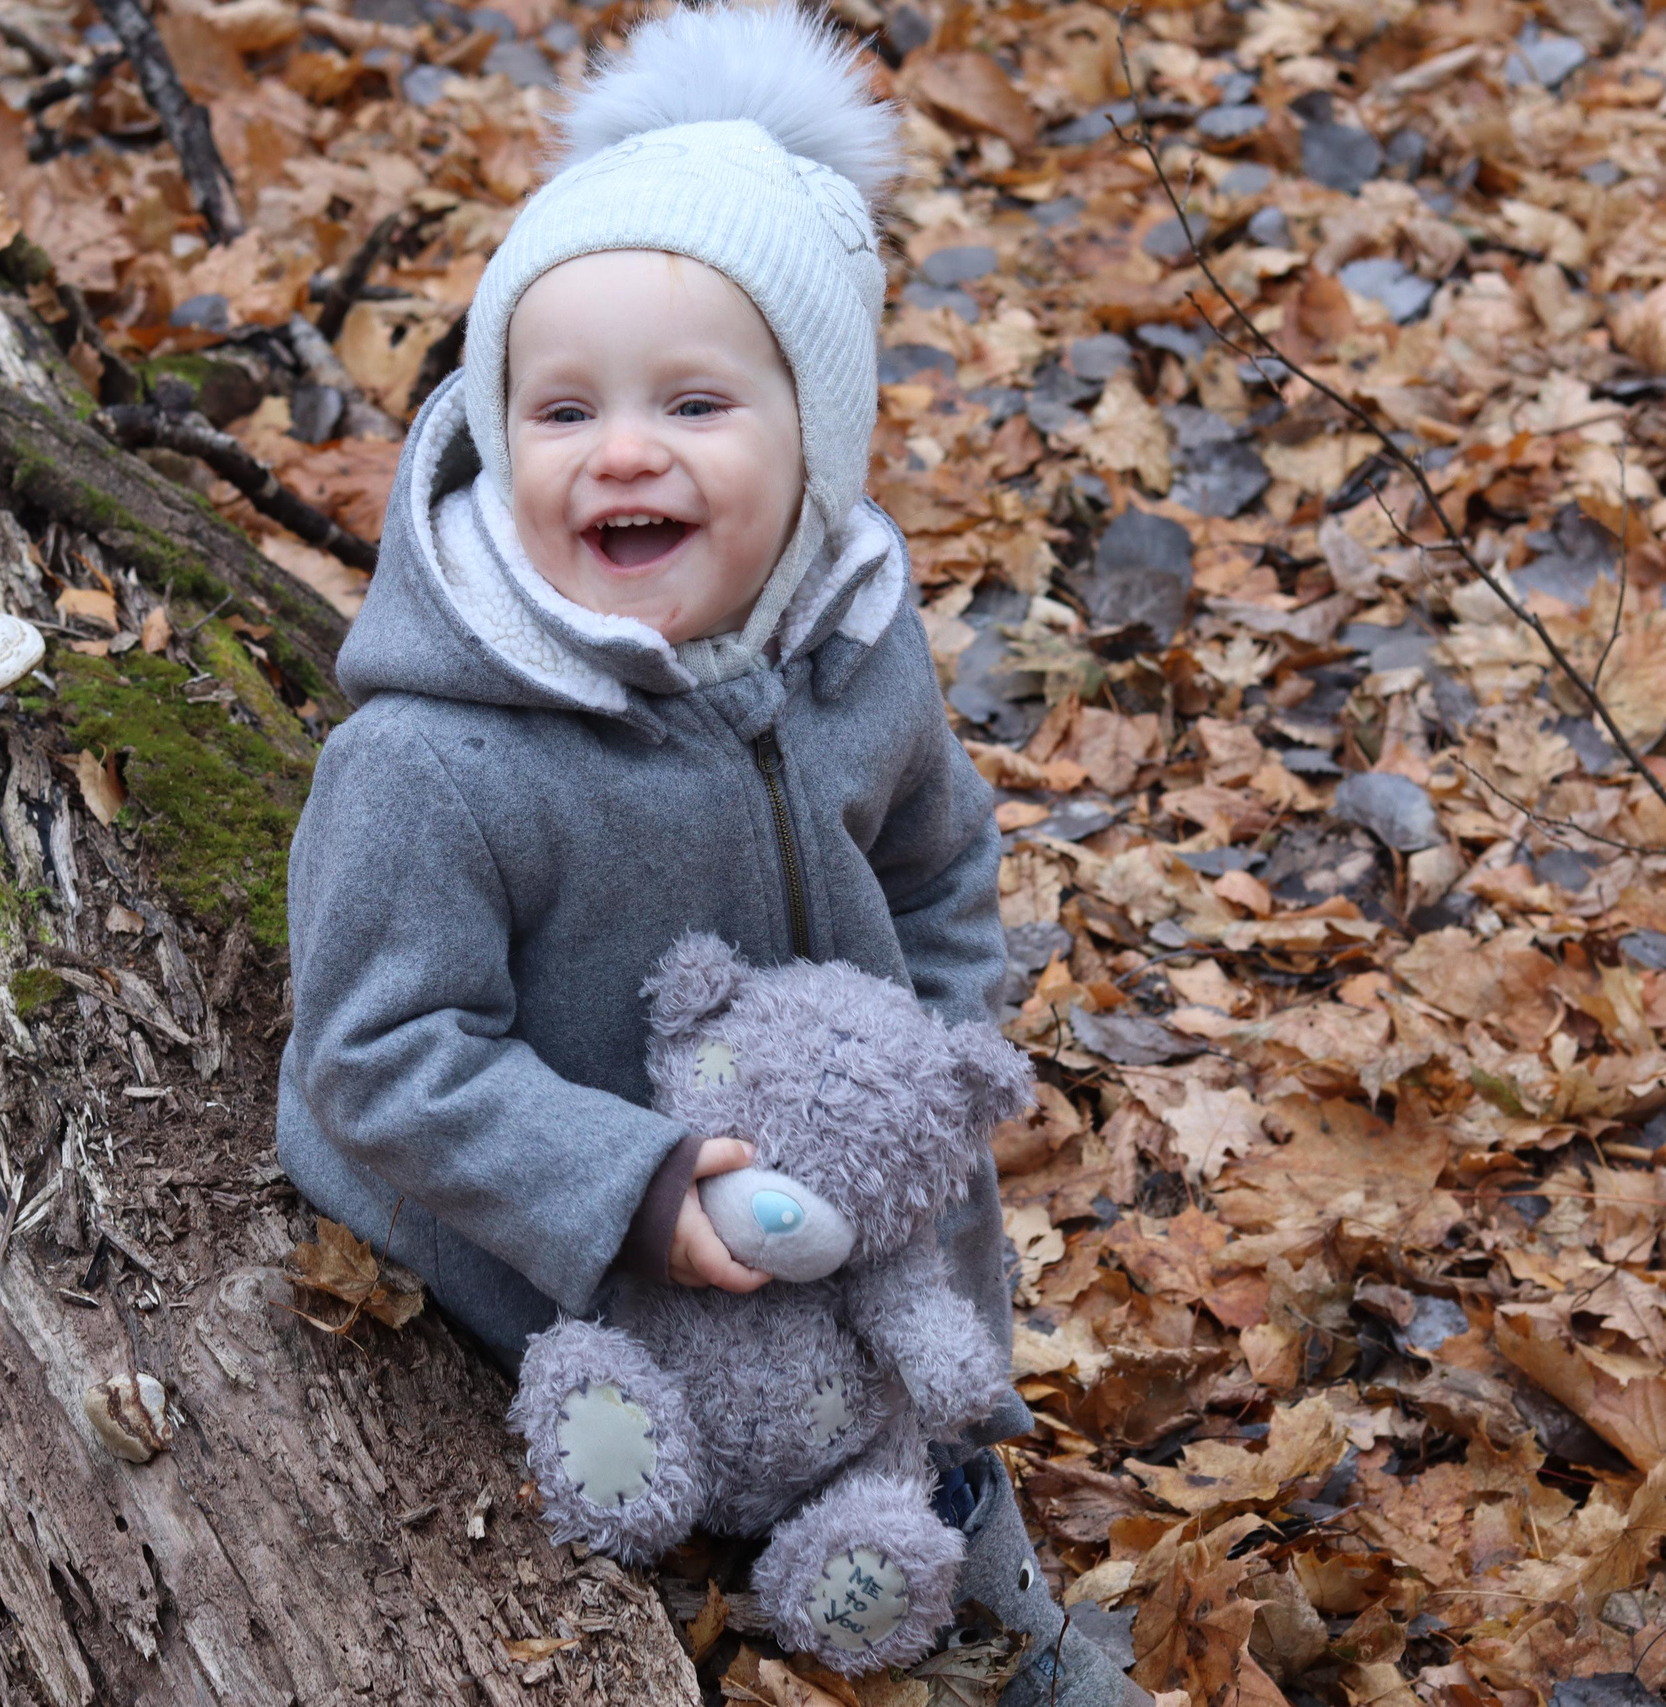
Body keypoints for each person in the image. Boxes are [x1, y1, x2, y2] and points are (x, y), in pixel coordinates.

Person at [276, 7, 1123, 1700]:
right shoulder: (435, 762)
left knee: (898, 1340)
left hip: (822, 1176)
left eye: (695, 401)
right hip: (537, 1230)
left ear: (819, 446)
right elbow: (377, 1048)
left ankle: (932, 1510)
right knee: (638, 1459)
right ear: (494, 429)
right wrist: (635, 1192)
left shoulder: (851, 648)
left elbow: (943, 862)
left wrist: (927, 1072)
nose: (623, 450)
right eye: (561, 405)